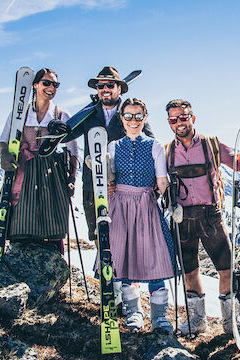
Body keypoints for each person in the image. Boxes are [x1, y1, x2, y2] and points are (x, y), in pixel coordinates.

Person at [164, 99, 240, 338]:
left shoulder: (212, 145)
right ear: (169, 123)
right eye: (173, 119)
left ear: (192, 118)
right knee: (189, 272)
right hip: (181, 218)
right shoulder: (166, 151)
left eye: (183, 117)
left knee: (226, 269)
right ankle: (196, 321)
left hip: (210, 216)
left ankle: (232, 322)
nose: (179, 123)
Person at [48, 66, 154, 246]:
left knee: (125, 240)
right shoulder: (89, 115)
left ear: (119, 88)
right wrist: (54, 127)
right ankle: (104, 273)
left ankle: (121, 274)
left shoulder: (130, 112)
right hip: (93, 185)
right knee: (99, 238)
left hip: (123, 187)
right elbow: (68, 135)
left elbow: (149, 143)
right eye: (101, 86)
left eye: (110, 85)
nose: (105, 89)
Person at [0, 68, 78, 251]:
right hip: (23, 169)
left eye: (55, 84)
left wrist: (72, 179)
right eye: (46, 83)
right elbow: (3, 141)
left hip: (51, 174)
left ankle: (51, 254)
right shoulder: (19, 114)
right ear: (35, 85)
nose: (51, 87)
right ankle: (18, 252)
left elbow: (73, 150)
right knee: (21, 216)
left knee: (51, 216)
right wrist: (4, 155)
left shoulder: (61, 115)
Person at [106, 98, 175, 332]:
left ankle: (159, 316)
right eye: (128, 116)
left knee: (155, 257)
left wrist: (171, 202)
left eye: (138, 116)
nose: (133, 121)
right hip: (121, 207)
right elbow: (109, 180)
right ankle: (134, 312)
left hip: (146, 205)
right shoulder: (113, 147)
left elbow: (162, 180)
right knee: (125, 259)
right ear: (122, 119)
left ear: (145, 118)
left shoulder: (155, 146)